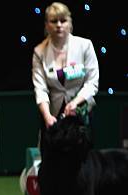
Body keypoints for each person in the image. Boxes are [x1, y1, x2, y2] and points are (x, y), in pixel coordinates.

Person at [32, 2, 99, 130]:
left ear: (70, 23)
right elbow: (40, 89)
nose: (59, 25)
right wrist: (47, 116)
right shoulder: (39, 52)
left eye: (63, 20)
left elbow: (92, 83)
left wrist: (75, 102)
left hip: (81, 112)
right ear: (46, 25)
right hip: (52, 115)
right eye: (54, 21)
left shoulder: (85, 46)